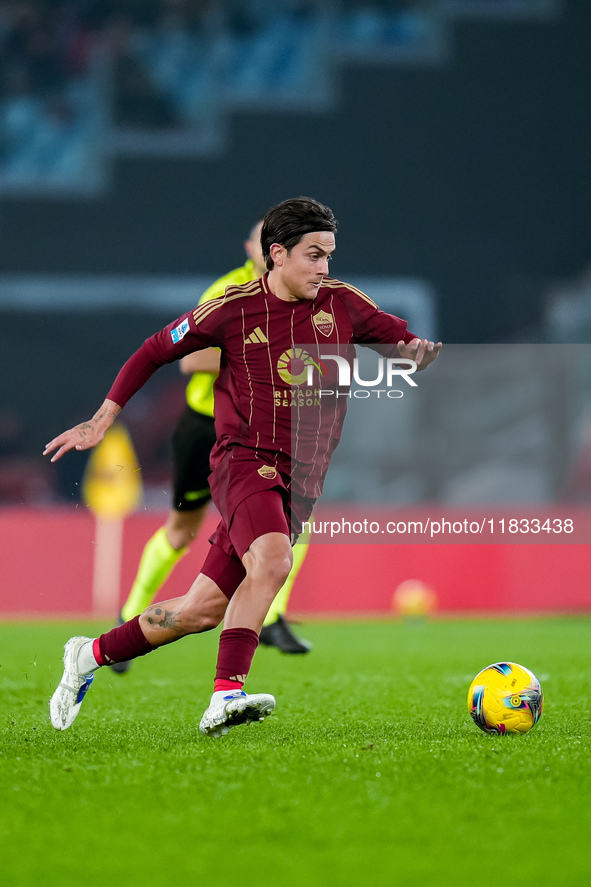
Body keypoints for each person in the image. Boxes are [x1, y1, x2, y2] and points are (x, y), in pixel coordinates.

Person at [44, 196, 441, 738]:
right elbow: (154, 351)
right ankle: (225, 695)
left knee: (199, 611)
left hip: (301, 481)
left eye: (329, 255)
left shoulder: (344, 303)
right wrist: (101, 420)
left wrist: (415, 352)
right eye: (312, 255)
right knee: (274, 562)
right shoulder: (231, 309)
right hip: (244, 461)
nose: (324, 268)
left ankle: (87, 655)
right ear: (277, 255)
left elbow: (399, 343)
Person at [113, 220, 311, 675]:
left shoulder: (299, 295)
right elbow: (192, 359)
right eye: (266, 242)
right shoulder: (227, 292)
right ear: (252, 249)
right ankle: (130, 613)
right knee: (181, 532)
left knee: (296, 516)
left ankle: (274, 617)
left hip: (261, 434)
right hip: (206, 428)